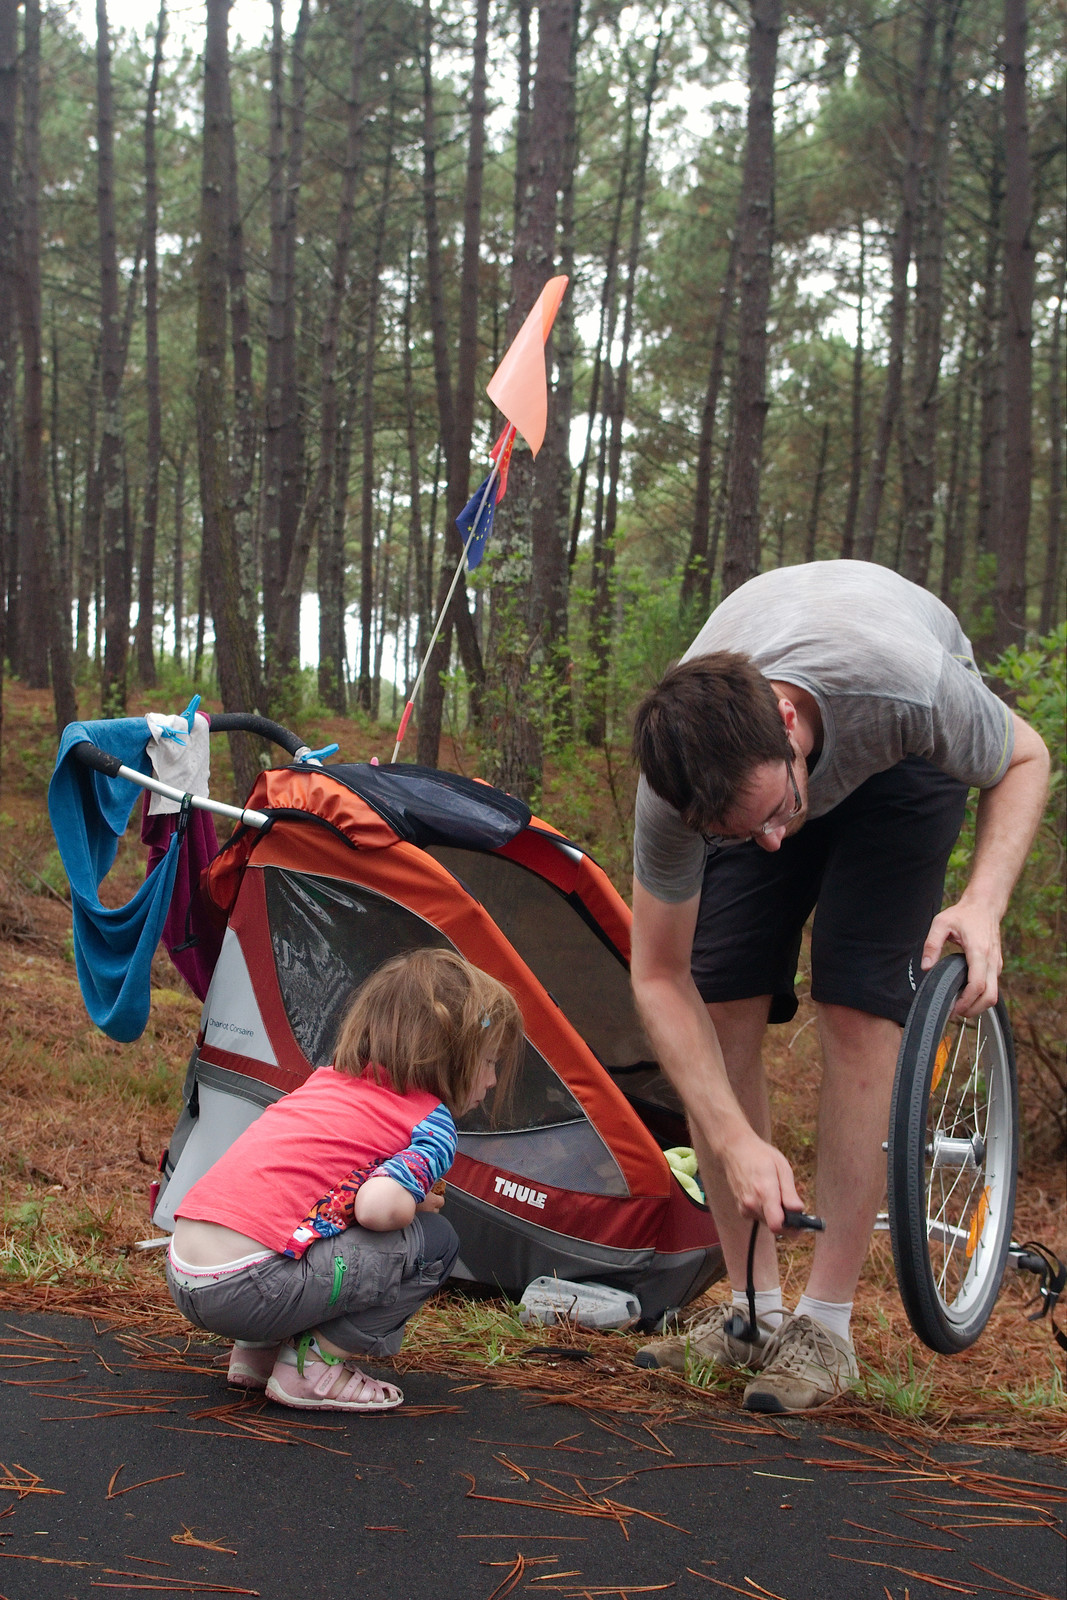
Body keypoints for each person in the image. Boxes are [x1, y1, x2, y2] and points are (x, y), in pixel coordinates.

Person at [628, 561, 1050, 1413]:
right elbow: (658, 976)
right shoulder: (676, 789)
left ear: (786, 721)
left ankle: (825, 1324)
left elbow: (1026, 756)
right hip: (758, 771)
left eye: (777, 812)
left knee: (860, 1007)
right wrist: (729, 1134)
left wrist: (982, 903)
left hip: (898, 763)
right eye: (744, 833)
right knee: (718, 999)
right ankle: (750, 1312)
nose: (775, 842)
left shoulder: (910, 690)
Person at [166, 948, 523, 1413]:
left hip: (185, 1274)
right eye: (490, 1062)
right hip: (247, 1289)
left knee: (314, 1218)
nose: (493, 1080)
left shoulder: (325, 1083)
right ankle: (312, 1371)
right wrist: (415, 1202)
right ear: (453, 1057)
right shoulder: (430, 1123)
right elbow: (377, 1209)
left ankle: (256, 1354)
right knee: (435, 1242)